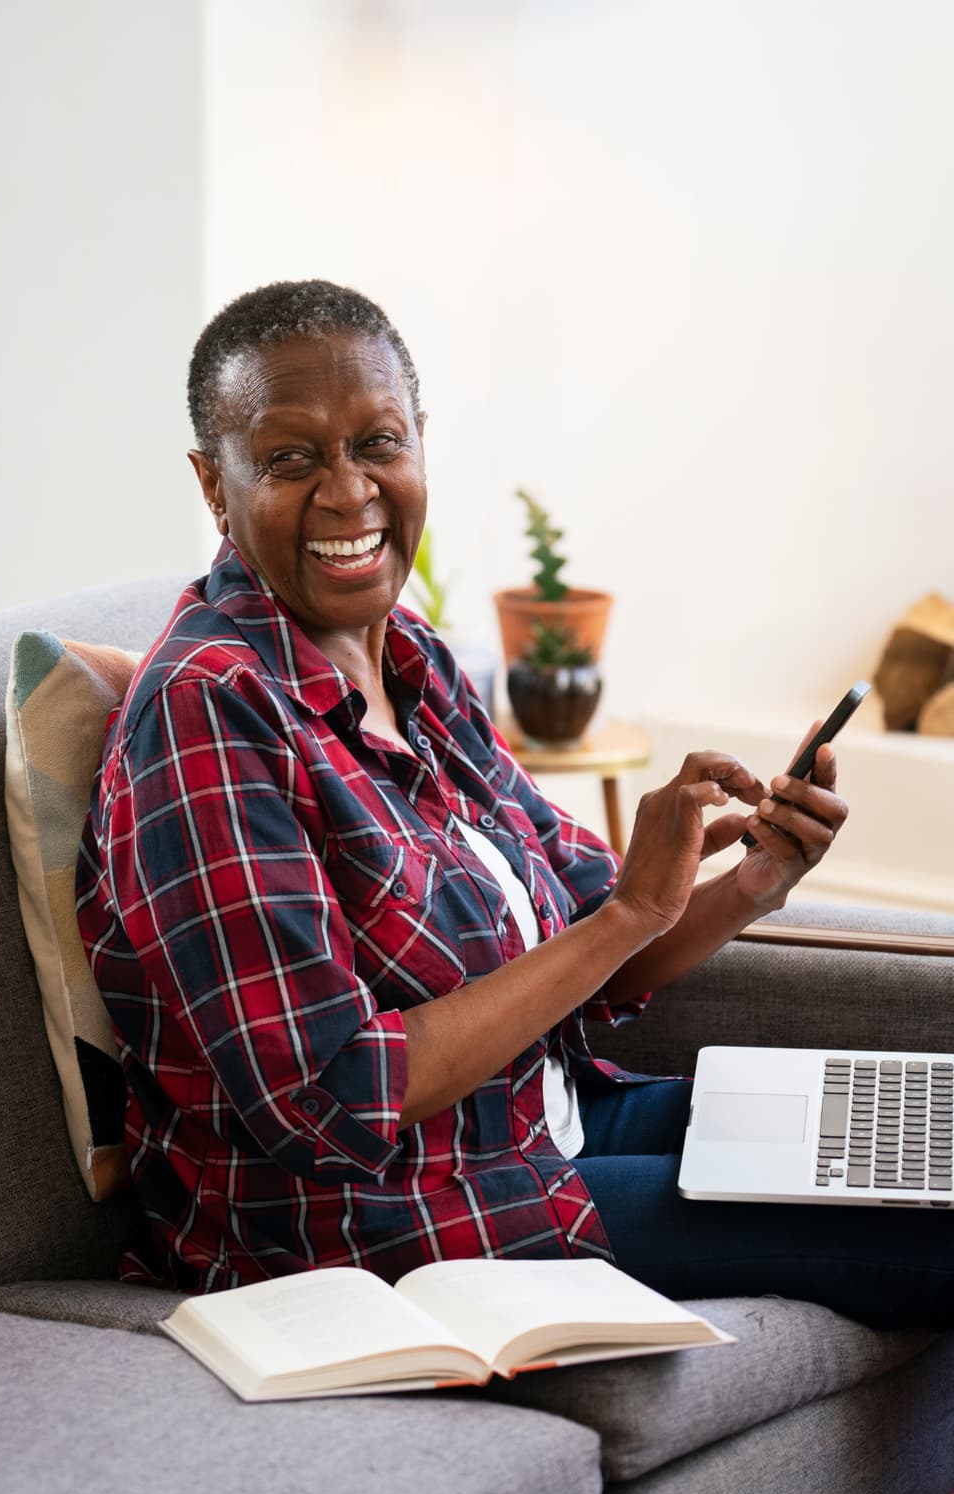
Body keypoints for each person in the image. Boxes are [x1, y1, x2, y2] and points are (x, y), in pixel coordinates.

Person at [77, 278, 952, 1328]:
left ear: (421, 446)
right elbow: (327, 1094)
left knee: (929, 1139)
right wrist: (629, 913)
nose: (350, 492)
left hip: (544, 1128)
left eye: (379, 442)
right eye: (290, 459)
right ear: (214, 486)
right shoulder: (209, 710)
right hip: (371, 1215)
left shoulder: (416, 659)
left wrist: (747, 883)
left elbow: (594, 946)